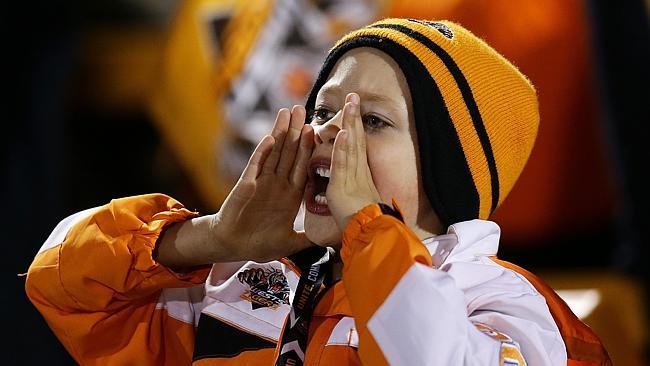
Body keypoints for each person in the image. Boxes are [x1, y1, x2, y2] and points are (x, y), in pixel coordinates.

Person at [25, 18, 610, 365]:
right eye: (324, 110)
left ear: (447, 171)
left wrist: (370, 231)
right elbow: (58, 284)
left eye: (372, 122)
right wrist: (207, 237)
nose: (330, 132)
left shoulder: (500, 301)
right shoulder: (239, 273)